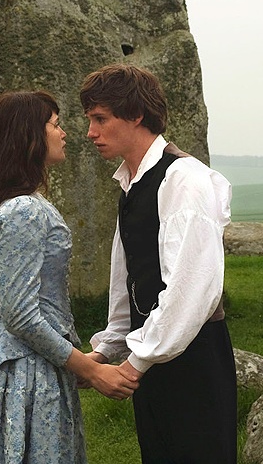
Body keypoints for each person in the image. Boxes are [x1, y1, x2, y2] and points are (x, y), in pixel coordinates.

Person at [0, 89, 138, 464]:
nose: (64, 133)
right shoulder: (24, 210)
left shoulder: (20, 204)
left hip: (29, 364)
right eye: (55, 124)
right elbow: (20, 315)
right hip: (23, 375)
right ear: (28, 136)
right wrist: (90, 370)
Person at [79, 63, 237, 464]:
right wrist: (107, 350)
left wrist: (133, 365)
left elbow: (191, 290)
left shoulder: (183, 180)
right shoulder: (130, 183)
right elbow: (129, 279)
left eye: (100, 119)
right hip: (153, 356)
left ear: (135, 114)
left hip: (194, 362)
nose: (90, 132)